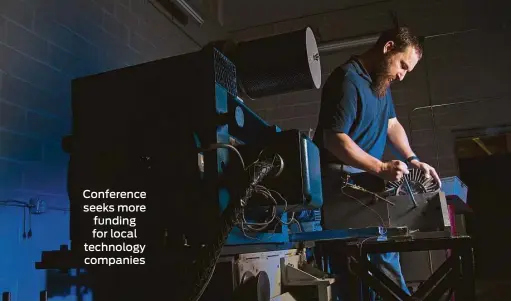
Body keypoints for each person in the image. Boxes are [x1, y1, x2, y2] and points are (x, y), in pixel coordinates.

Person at [313, 27, 442, 299]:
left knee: (379, 257)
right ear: (388, 48)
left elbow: (392, 124)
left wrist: (413, 158)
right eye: (403, 65)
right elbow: (334, 139)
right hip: (340, 184)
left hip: (363, 182)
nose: (402, 75)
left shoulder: (380, 82)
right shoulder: (347, 80)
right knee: (380, 254)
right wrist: (381, 168)